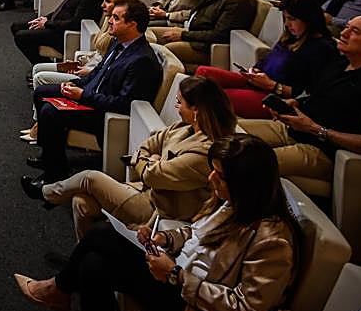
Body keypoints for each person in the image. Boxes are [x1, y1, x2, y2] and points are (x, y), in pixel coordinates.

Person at [15, 135, 299, 311]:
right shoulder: (229, 202)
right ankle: (59, 292)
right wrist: (166, 238)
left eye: (220, 175)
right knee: (92, 265)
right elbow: (197, 233)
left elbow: (248, 310)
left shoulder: (273, 240)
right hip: (176, 275)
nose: (211, 178)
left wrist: (175, 275)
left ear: (246, 184)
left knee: (102, 234)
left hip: (193, 304)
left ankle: (57, 290)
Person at [23, 76, 238, 240]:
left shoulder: (206, 151)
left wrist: (146, 161)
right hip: (147, 191)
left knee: (89, 178)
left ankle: (46, 193)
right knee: (82, 202)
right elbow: (148, 144)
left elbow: (154, 175)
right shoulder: (184, 127)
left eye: (179, 103)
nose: (176, 107)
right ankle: (85, 259)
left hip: (159, 209)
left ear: (197, 110)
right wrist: (150, 160)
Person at [243, 17, 361, 186]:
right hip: (294, 129)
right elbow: (318, 95)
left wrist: (316, 129)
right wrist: (295, 103)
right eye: (347, 27)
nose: (344, 33)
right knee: (224, 133)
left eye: (355, 31)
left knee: (243, 164)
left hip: (323, 151)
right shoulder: (340, 63)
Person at [25, 0, 162, 182]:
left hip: (102, 112)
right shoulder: (118, 42)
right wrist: (77, 85)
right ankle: (49, 154)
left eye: (115, 18)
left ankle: (54, 173)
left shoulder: (142, 60)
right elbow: (98, 72)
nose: (109, 20)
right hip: (90, 95)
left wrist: (83, 95)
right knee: (42, 92)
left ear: (132, 24)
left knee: (51, 112)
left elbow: (125, 104)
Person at [195, 0, 344, 118]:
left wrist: (272, 86)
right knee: (203, 73)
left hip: (276, 96)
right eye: (286, 18)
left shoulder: (322, 48)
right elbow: (267, 60)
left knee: (217, 98)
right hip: (259, 82)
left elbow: (308, 93)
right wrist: (255, 71)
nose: (287, 24)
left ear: (309, 19)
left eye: (292, 19)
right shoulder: (291, 37)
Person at [22, 0, 136, 142]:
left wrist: (83, 83)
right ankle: (39, 124)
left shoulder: (121, 37)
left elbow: (105, 71)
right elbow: (99, 60)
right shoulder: (109, 25)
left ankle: (40, 127)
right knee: (39, 73)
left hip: (90, 79)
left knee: (41, 77)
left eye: (107, 2)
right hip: (86, 69)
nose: (102, 5)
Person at [150, 0, 258, 69]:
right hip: (191, 31)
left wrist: (183, 35)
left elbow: (220, 35)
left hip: (205, 45)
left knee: (166, 50)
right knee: (149, 33)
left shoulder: (239, 0)